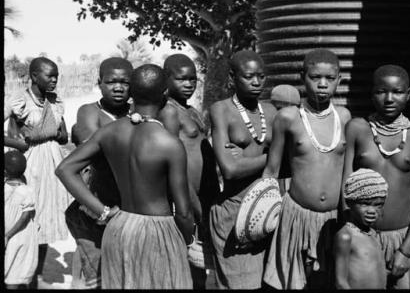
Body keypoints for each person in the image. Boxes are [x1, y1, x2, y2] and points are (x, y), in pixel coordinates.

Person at [56, 64, 194, 289]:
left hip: (119, 228)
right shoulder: (169, 143)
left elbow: (65, 169)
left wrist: (104, 213)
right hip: (158, 232)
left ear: (132, 93)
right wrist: (187, 240)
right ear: (165, 95)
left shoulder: (110, 132)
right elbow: (184, 211)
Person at [262, 49, 351, 289]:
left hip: (334, 221)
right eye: (315, 77)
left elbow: (347, 171)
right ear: (302, 77)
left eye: (329, 79)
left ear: (338, 80)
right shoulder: (288, 118)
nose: (322, 85)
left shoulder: (344, 118)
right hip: (296, 217)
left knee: (329, 282)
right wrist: (264, 216)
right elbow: (271, 171)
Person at [343, 64, 410, 289]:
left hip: (405, 239)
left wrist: (406, 248)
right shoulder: (357, 128)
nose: (389, 98)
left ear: (408, 94)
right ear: (372, 93)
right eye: (381, 91)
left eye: (397, 92)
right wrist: (350, 237)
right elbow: (344, 188)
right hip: (362, 237)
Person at [208, 50, 277, 289]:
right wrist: (273, 158)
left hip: (268, 212)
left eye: (261, 76)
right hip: (233, 212)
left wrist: (249, 161)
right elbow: (229, 170)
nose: (256, 82)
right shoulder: (222, 110)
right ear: (232, 78)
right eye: (249, 76)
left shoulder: (271, 112)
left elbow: (289, 162)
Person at [3, 57, 72, 286]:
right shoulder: (20, 100)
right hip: (30, 164)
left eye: (56, 76)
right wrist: (16, 144)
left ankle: (37, 276)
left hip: (52, 163)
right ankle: (20, 278)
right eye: (49, 75)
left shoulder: (55, 100)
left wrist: (60, 133)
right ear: (34, 76)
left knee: (47, 223)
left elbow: (61, 133)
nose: (54, 80)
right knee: (27, 221)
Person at [66, 57, 133, 289]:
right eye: (111, 81)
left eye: (125, 82)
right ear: (99, 83)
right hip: (97, 208)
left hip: (130, 210)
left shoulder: (138, 112)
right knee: (100, 278)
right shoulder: (89, 112)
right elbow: (95, 151)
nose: (118, 87)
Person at [162, 53, 220, 288]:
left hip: (204, 196)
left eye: (193, 79)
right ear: (166, 78)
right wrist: (193, 205)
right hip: (187, 199)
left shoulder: (191, 110)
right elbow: (173, 164)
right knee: (185, 263)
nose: (188, 84)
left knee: (199, 263)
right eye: (181, 79)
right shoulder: (169, 112)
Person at [334, 168, 388, 289]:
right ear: (349, 202)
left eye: (378, 205)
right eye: (365, 204)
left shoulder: (372, 234)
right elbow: (340, 282)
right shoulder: (346, 236)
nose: (372, 211)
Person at [4, 150, 38, 289]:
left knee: (10, 267)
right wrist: (9, 235)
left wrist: (7, 234)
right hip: (19, 235)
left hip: (10, 233)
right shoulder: (27, 191)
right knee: (17, 267)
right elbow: (25, 216)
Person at [269, 84, 301, 194]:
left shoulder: (304, 136)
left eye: (291, 109)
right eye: (279, 109)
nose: (284, 115)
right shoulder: (266, 133)